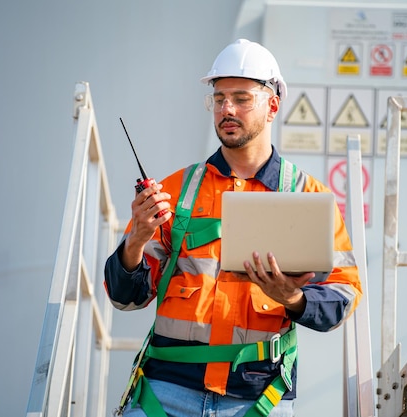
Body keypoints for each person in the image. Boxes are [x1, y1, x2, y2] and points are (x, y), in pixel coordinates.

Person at [105, 38, 362, 417]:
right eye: (219, 97)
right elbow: (125, 299)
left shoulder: (307, 196)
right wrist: (135, 243)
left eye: (242, 98)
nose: (227, 109)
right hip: (164, 394)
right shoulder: (175, 192)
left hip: (257, 400)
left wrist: (293, 299)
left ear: (272, 105)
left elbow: (343, 297)